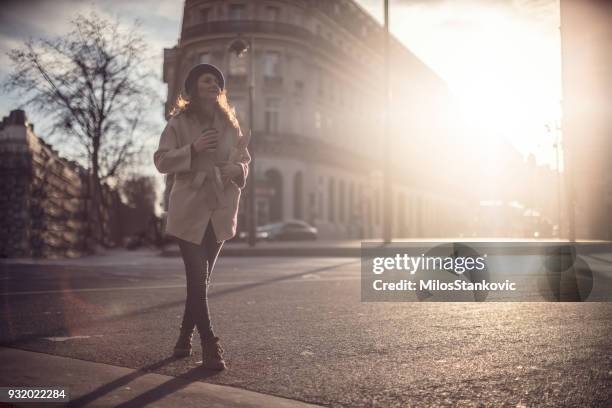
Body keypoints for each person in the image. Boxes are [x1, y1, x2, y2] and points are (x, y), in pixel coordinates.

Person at [153, 63, 251, 370]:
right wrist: (192, 149)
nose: (214, 85)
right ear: (194, 86)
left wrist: (239, 169)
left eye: (217, 82)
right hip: (190, 208)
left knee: (200, 283)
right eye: (207, 80)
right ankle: (210, 342)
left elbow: (243, 159)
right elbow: (161, 161)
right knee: (197, 279)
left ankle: (183, 339)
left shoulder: (230, 123)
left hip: (220, 208)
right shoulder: (179, 122)